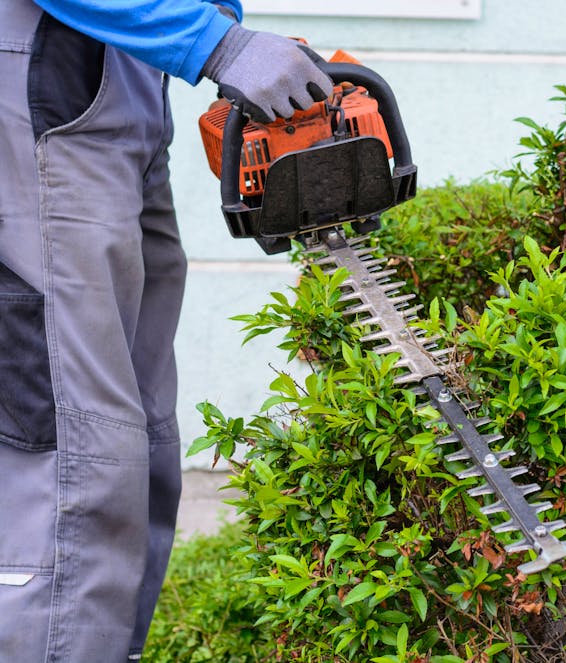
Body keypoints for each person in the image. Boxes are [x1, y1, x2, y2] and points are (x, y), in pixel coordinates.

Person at [0, 1, 334, 660]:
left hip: (126, 69)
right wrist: (215, 42)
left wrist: (213, 23)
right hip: (51, 63)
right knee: (74, 450)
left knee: (142, 438)